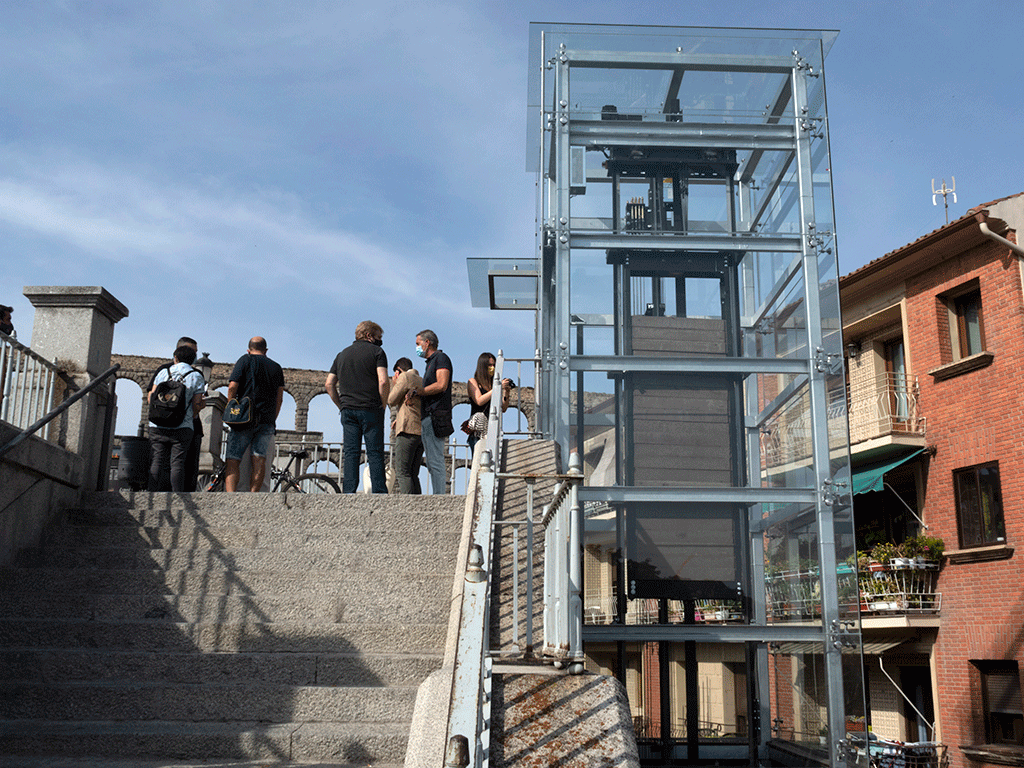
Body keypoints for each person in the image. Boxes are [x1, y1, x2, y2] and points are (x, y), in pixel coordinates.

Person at [325, 321, 389, 493]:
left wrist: (341, 405)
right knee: (375, 453)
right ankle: (379, 493)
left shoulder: (341, 355)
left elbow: (329, 384)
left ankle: (349, 492)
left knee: (351, 452)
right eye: (379, 337)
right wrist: (383, 404)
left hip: (348, 410)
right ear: (369, 335)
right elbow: (383, 381)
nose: (380, 340)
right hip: (371, 408)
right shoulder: (377, 352)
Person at [224, 336, 285, 493]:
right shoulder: (276, 367)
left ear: (248, 349)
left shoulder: (244, 360)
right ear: (266, 350)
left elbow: (232, 387)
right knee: (259, 460)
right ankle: (253, 498)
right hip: (266, 420)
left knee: (233, 459)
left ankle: (230, 497)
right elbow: (280, 398)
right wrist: (272, 418)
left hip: (244, 419)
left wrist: (232, 408)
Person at [147, 336, 205, 491]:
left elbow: (151, 396)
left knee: (157, 460)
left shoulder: (163, 372)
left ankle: (150, 495)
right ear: (193, 359)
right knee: (177, 463)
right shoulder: (196, 375)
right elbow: (197, 403)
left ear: (175, 357)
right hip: (183, 426)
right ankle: (178, 497)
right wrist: (193, 415)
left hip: (157, 424)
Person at [410, 329, 453, 494]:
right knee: (432, 460)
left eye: (417, 344)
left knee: (435, 460)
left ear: (427, 342)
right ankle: (438, 493)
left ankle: (439, 496)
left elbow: (442, 384)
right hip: (429, 415)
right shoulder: (430, 363)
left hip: (436, 415)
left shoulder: (441, 358)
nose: (417, 347)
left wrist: (419, 391)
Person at [388, 357, 423, 494]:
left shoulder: (405, 377)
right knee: (414, 474)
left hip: (407, 430)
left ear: (398, 370)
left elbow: (391, 400)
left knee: (403, 472)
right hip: (420, 432)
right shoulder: (421, 379)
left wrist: (395, 383)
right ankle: (420, 506)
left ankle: (409, 506)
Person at [466, 352, 512, 455]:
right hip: (479, 431)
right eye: (489, 365)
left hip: (492, 429)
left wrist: (506, 392)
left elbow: (503, 408)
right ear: (483, 366)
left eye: (494, 365)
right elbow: (479, 400)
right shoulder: (473, 382)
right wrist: (497, 387)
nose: (492, 368)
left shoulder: (494, 385)